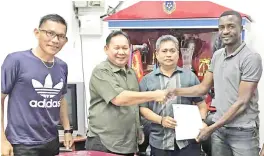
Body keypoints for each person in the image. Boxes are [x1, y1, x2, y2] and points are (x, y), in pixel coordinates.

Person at [171, 10, 263, 156]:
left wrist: (211, 128)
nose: (225, 31)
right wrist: (175, 91)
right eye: (222, 27)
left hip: (242, 132)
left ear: (240, 28)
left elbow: (242, 102)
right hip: (220, 131)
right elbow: (203, 88)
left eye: (231, 26)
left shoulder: (251, 58)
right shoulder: (217, 55)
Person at [86, 30, 169, 156]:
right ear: (106, 49)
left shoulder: (131, 73)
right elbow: (119, 98)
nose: (121, 52)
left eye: (125, 48)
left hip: (127, 144)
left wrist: (139, 129)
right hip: (104, 143)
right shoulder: (101, 71)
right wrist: (154, 95)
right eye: (117, 48)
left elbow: (134, 106)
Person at [1, 14, 73, 156]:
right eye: (50, 33)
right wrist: (2, 140)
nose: (55, 40)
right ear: (37, 33)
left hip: (51, 141)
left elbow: (61, 99)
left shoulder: (62, 66)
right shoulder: (16, 60)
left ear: (65, 40)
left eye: (60, 36)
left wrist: (67, 130)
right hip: (22, 143)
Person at [139, 35, 208, 156]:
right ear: (157, 54)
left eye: (172, 51)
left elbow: (201, 104)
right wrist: (161, 120)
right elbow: (143, 108)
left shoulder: (190, 76)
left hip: (188, 141)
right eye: (164, 51)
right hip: (160, 141)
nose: (168, 55)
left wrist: (201, 122)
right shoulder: (147, 80)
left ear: (178, 53)